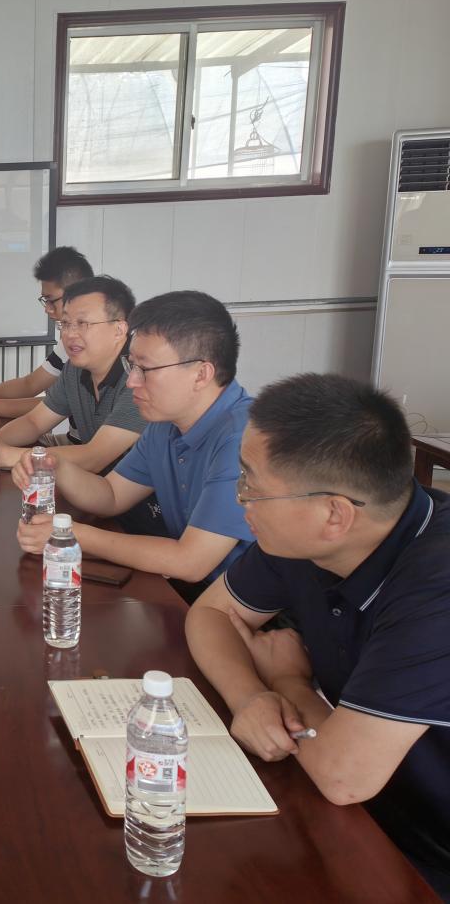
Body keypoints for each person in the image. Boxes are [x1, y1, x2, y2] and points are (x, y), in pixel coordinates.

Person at [185, 374, 450, 898]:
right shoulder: (306, 540)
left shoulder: (436, 587)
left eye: (251, 485)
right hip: (374, 814)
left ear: (334, 513)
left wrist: (287, 681)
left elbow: (343, 776)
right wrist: (249, 697)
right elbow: (211, 614)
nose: (241, 499)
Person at [14, 290, 254, 600]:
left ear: (201, 374)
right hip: (191, 591)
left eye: (145, 369)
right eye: (131, 366)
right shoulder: (165, 423)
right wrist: (57, 466)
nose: (131, 382)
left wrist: (71, 534)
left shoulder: (244, 439)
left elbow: (190, 561)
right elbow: (111, 495)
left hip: (245, 609)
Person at [0, 275, 145, 475]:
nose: (69, 334)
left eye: (82, 323)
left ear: (119, 330)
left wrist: (5, 455)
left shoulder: (139, 378)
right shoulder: (75, 368)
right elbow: (34, 422)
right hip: (93, 483)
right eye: (65, 323)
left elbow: (94, 457)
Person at [0, 246, 94, 420]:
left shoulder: (95, 345)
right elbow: (30, 385)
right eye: (44, 301)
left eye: (51, 300)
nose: (47, 309)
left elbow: (54, 405)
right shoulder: (69, 340)